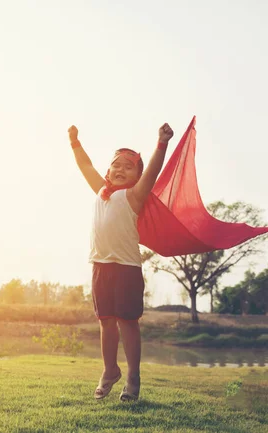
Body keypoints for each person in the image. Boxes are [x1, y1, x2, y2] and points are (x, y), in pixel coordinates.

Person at [68, 122, 174, 401]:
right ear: (108, 170)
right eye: (117, 165)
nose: (121, 170)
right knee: (105, 321)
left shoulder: (134, 196)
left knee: (127, 322)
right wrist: (74, 142)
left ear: (136, 176)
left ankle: (133, 377)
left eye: (129, 167)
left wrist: (161, 143)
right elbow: (85, 166)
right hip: (100, 266)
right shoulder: (100, 192)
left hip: (126, 269)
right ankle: (109, 370)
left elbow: (152, 171)